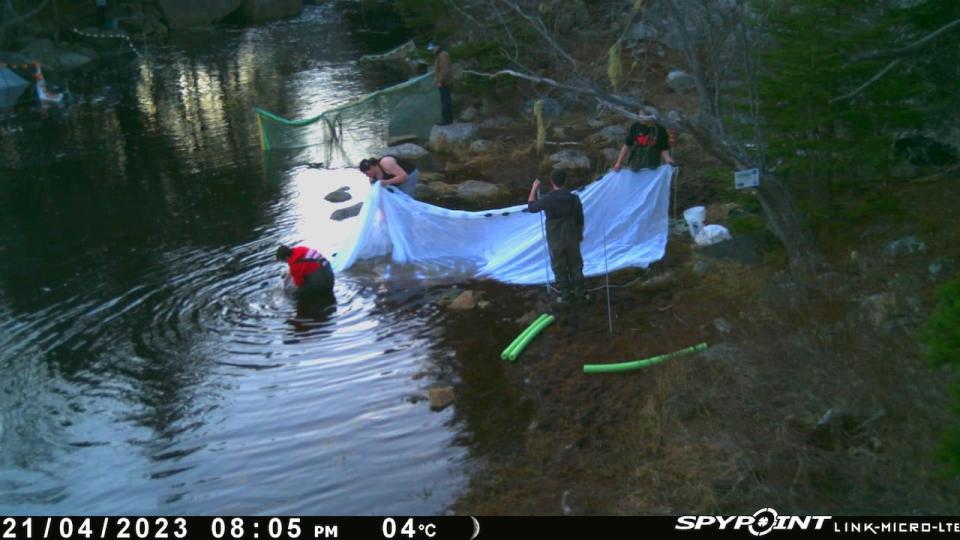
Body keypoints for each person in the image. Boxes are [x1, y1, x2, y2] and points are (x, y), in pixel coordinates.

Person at [526, 170, 585, 304]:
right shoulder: (574, 198)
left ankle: (565, 296)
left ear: (552, 182)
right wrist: (580, 234)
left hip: (555, 236)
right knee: (576, 265)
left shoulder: (548, 199)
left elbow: (531, 207)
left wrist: (534, 188)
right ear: (565, 181)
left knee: (559, 267)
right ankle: (580, 294)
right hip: (571, 234)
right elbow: (580, 219)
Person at [613, 106, 675, 172]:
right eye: (639, 115)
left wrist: (668, 160)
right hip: (635, 165)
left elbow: (663, 148)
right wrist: (618, 162)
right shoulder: (635, 126)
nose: (639, 117)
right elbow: (627, 145)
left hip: (652, 166)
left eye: (642, 116)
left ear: (649, 117)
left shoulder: (660, 130)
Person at [427, 41, 453, 125]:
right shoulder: (439, 55)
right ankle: (446, 119)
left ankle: (447, 120)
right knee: (444, 100)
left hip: (444, 82)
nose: (432, 50)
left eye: (433, 48)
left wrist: (439, 81)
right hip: (443, 82)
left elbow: (445, 70)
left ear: (437, 46)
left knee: (445, 101)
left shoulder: (442, 55)